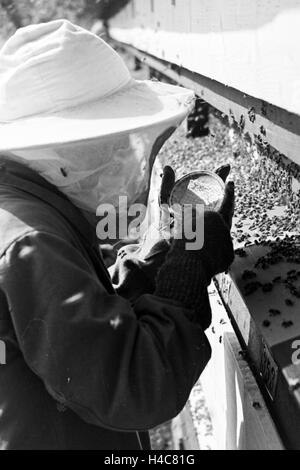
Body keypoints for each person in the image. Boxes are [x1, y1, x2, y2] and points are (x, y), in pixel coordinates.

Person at [0, 20, 234, 450]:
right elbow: (136, 382)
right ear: (60, 149)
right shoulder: (30, 241)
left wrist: (159, 257)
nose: (123, 154)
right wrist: (190, 267)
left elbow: (82, 318)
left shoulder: (24, 206)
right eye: (110, 142)